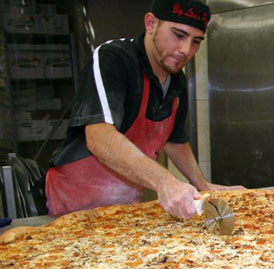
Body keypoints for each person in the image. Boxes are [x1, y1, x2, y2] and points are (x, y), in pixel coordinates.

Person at [46, 0, 241, 219]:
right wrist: (164, 181)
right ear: (151, 24)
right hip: (74, 206)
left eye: (196, 41)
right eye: (178, 35)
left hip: (127, 209)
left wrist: (202, 184)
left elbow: (175, 141)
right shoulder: (114, 59)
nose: (186, 50)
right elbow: (98, 136)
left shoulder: (177, 81)